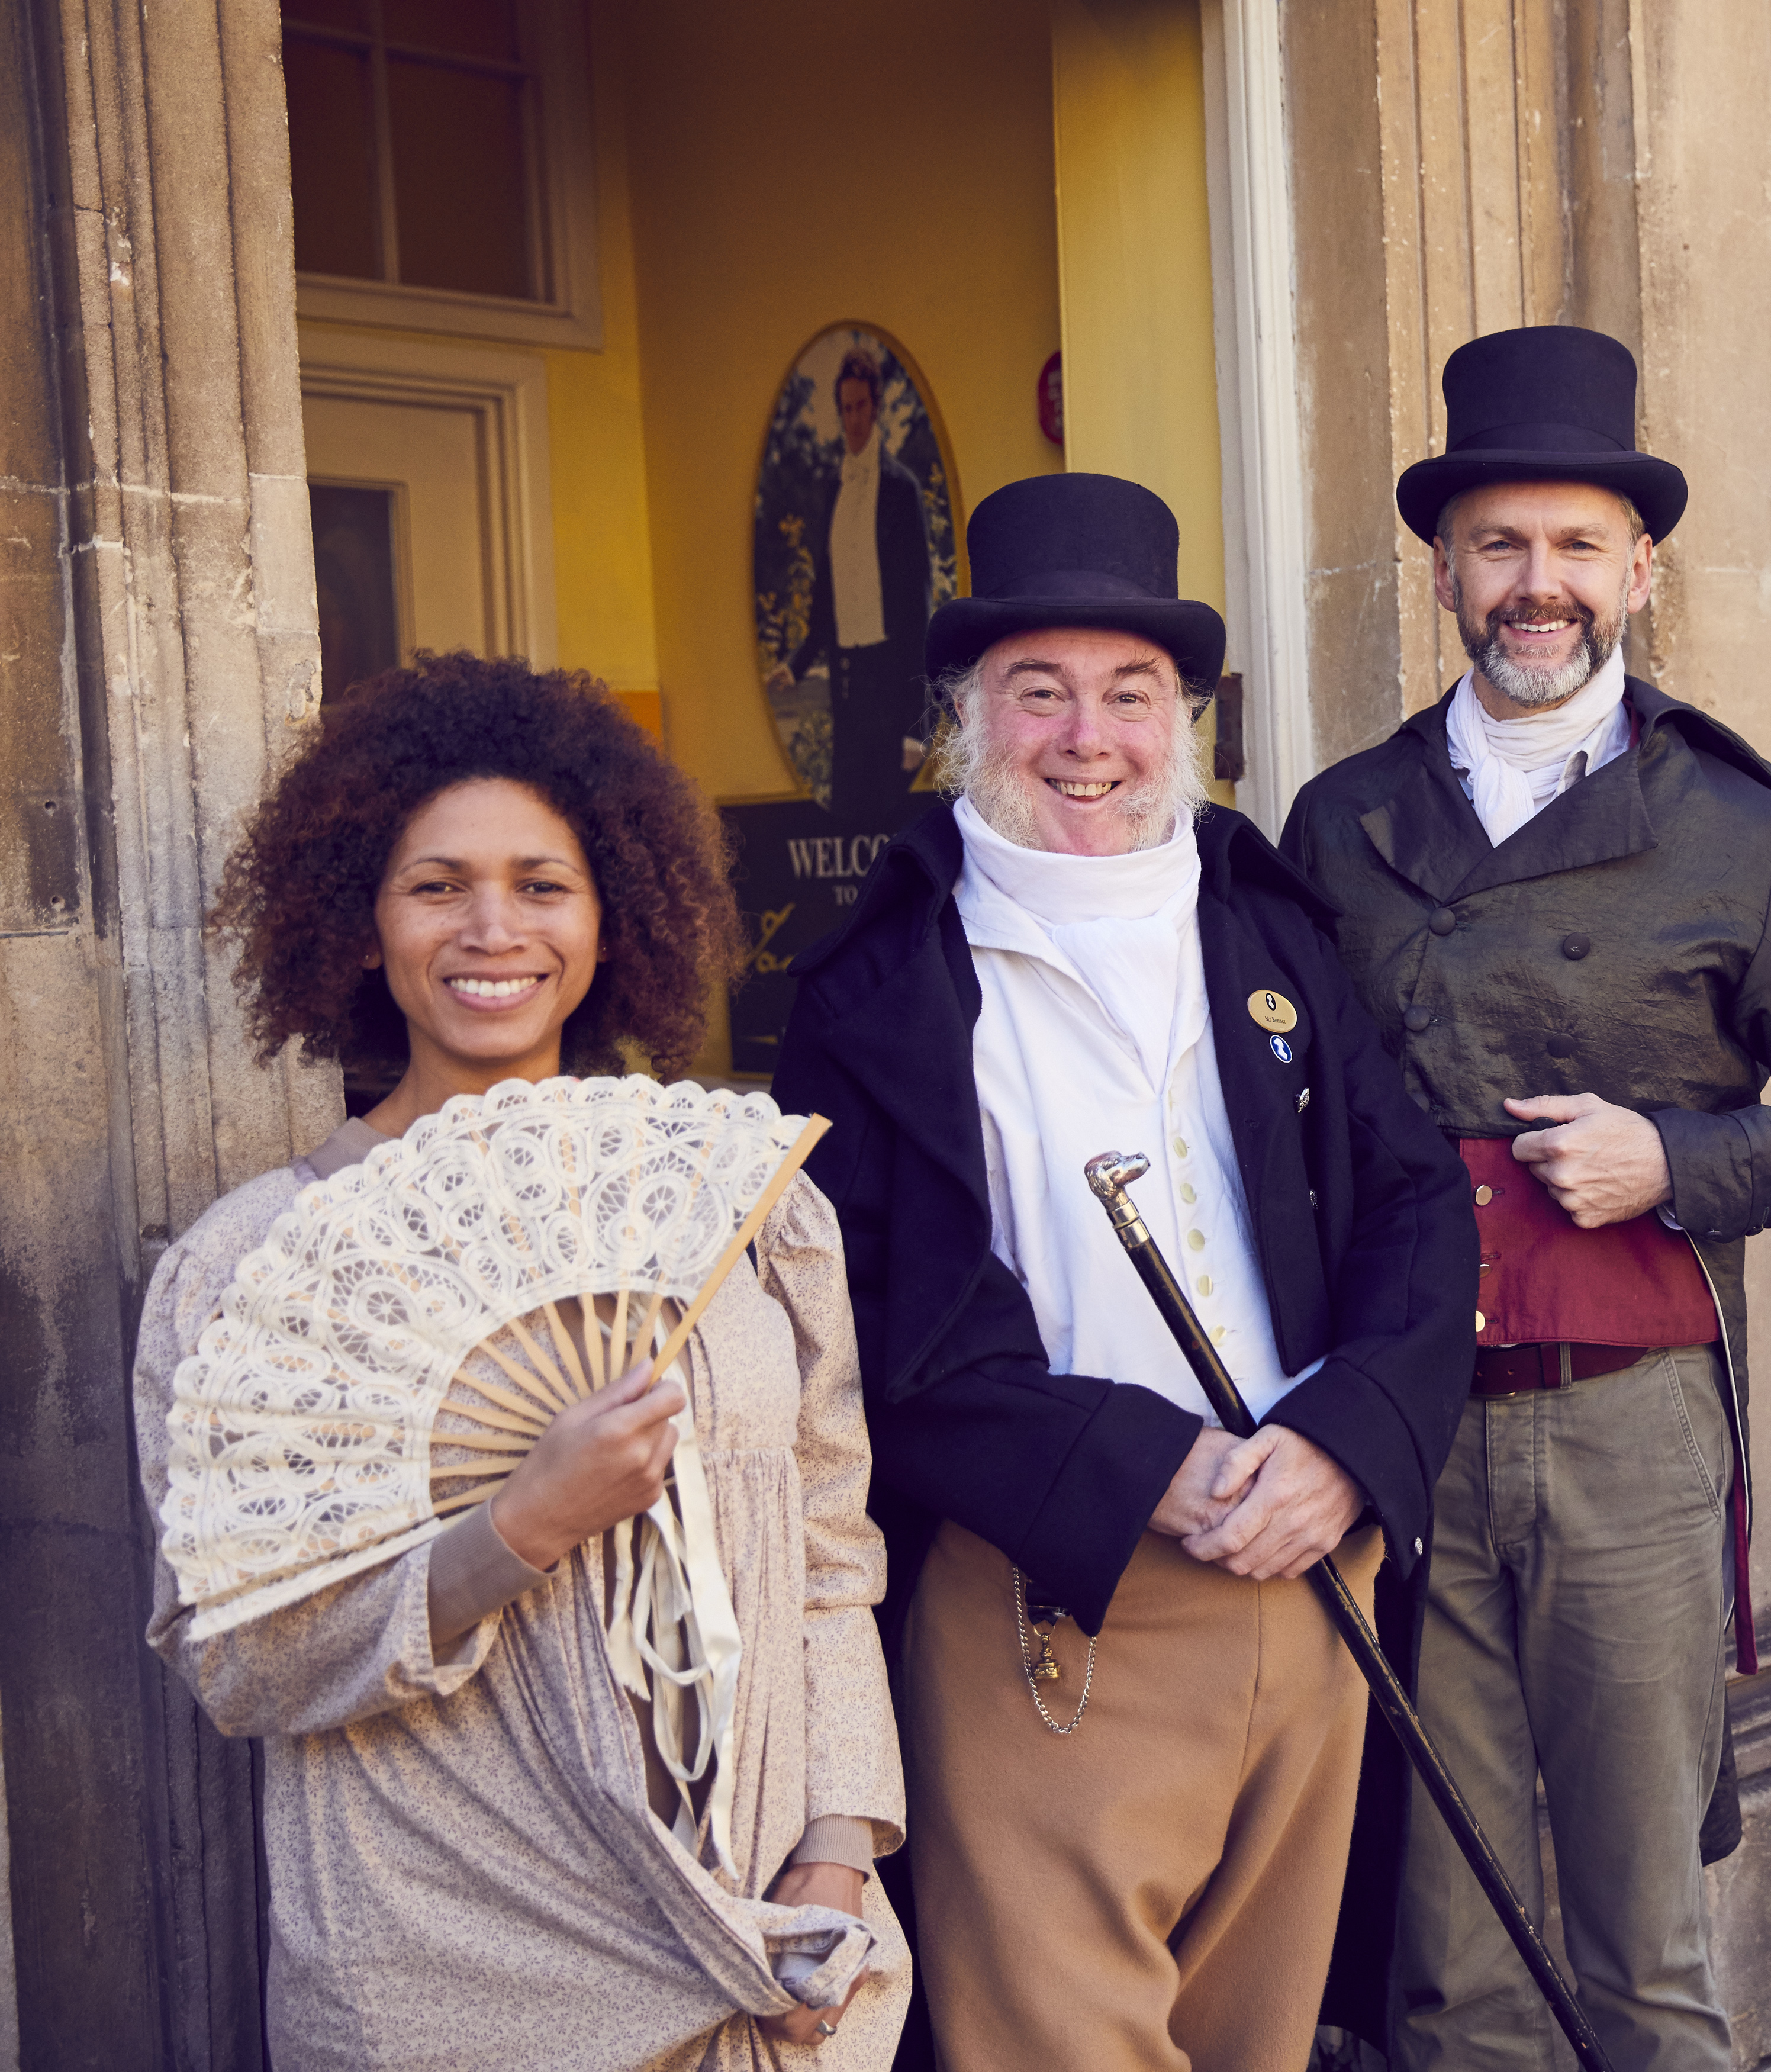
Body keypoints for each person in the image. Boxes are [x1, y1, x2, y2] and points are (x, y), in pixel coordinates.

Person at [1283, 324, 1771, 2071]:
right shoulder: (1337, 819)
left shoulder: (1736, 826)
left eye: (1577, 545)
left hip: (1632, 1433)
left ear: (1638, 568)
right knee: (1451, 1954)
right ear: (1441, 566)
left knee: (1643, 1950)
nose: (1537, 584)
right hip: (1406, 1421)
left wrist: (1682, 1158)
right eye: (1501, 544)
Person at [771, 472, 1479, 2071]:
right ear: (965, 714)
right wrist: (1144, 1467)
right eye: (1040, 692)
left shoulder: (1269, 924)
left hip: (1310, 1572)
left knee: (1262, 2047)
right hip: (1048, 1601)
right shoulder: (872, 989)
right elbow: (867, 1327)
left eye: (1130, 692)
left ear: (1186, 717)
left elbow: (1417, 1200)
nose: (1087, 736)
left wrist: (1347, 1442)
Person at [140, 655, 908, 2068]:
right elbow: (237, 1664)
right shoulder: (255, 1265)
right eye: (437, 886)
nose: (493, 928)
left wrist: (840, 1858)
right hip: (443, 1967)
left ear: (614, 918)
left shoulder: (746, 1217)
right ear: (362, 928)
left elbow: (828, 1552)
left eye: (543, 885)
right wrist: (517, 1528)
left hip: (761, 1948)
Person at [768, 348, 935, 828]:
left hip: (891, 679)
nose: (854, 419)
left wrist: (915, 729)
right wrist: (795, 665)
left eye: (862, 407)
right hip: (847, 682)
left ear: (876, 407)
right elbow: (826, 605)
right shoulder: (833, 491)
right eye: (846, 409)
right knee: (848, 821)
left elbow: (918, 612)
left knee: (891, 828)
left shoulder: (901, 492)